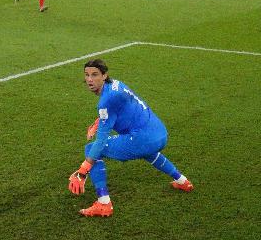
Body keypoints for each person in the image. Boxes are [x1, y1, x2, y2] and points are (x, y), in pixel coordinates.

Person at [68, 59, 193, 217]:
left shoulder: (106, 101)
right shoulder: (117, 85)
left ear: (104, 75)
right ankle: (182, 181)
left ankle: (104, 204)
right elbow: (123, 107)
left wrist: (83, 170)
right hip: (159, 133)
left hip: (143, 138)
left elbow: (101, 140)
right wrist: (100, 121)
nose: (90, 79)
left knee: (91, 149)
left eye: (95, 75)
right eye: (87, 75)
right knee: (147, 151)